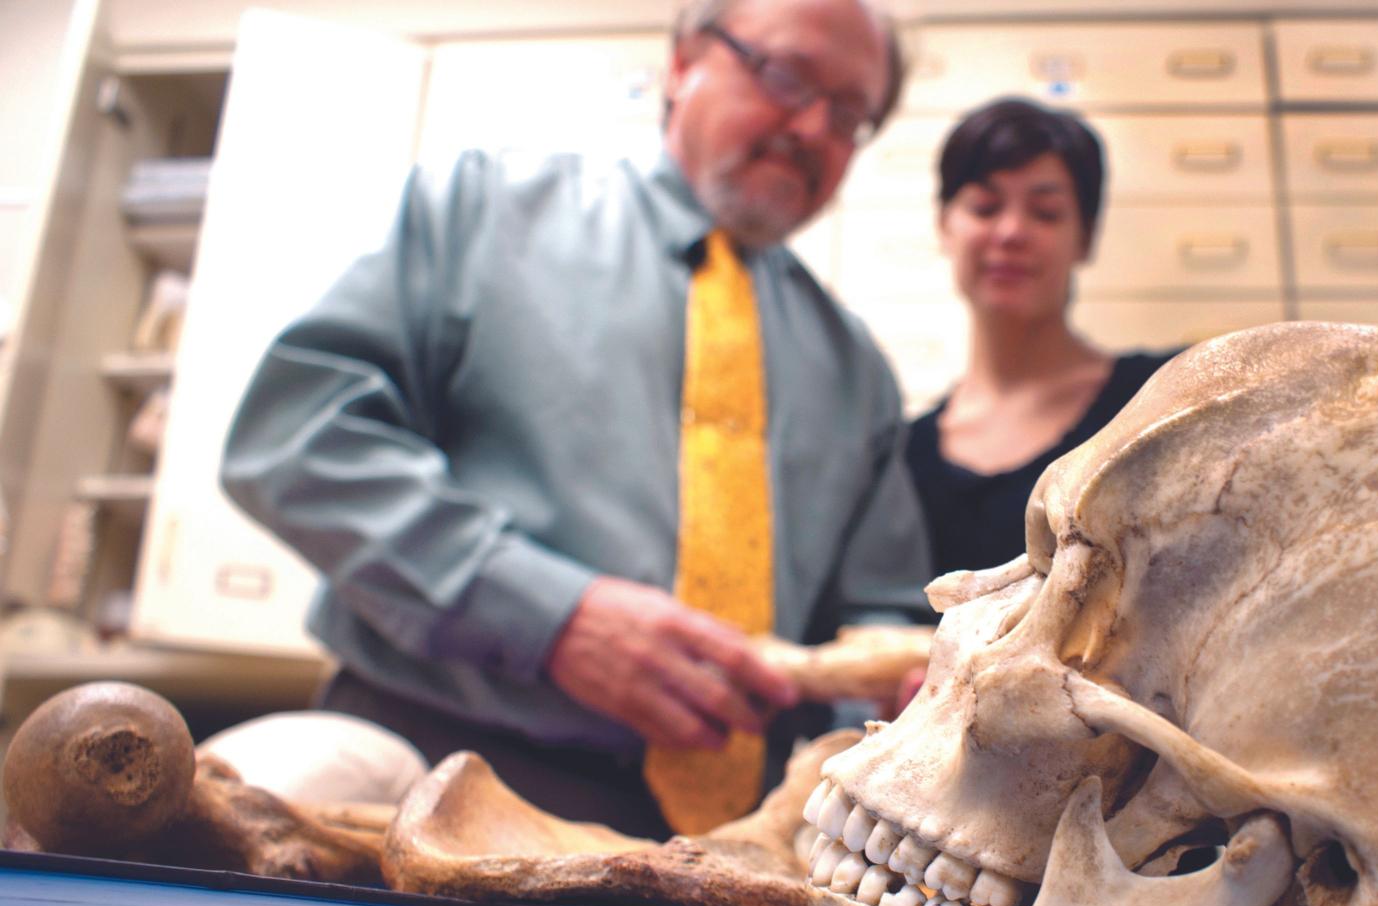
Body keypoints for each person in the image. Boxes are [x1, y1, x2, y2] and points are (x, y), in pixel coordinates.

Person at [220, 0, 930, 839]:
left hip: (722, 852)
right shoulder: (483, 212)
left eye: (850, 114)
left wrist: (910, 692)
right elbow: (298, 436)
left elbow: (879, 616)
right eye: (786, 76)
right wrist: (552, 617)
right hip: (417, 775)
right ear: (681, 62)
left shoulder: (859, 375)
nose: (814, 126)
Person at [907, 98, 1180, 578]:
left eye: (1046, 212)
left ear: (1086, 238)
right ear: (944, 225)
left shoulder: (1155, 402)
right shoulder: (906, 455)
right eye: (985, 207)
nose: (1011, 232)